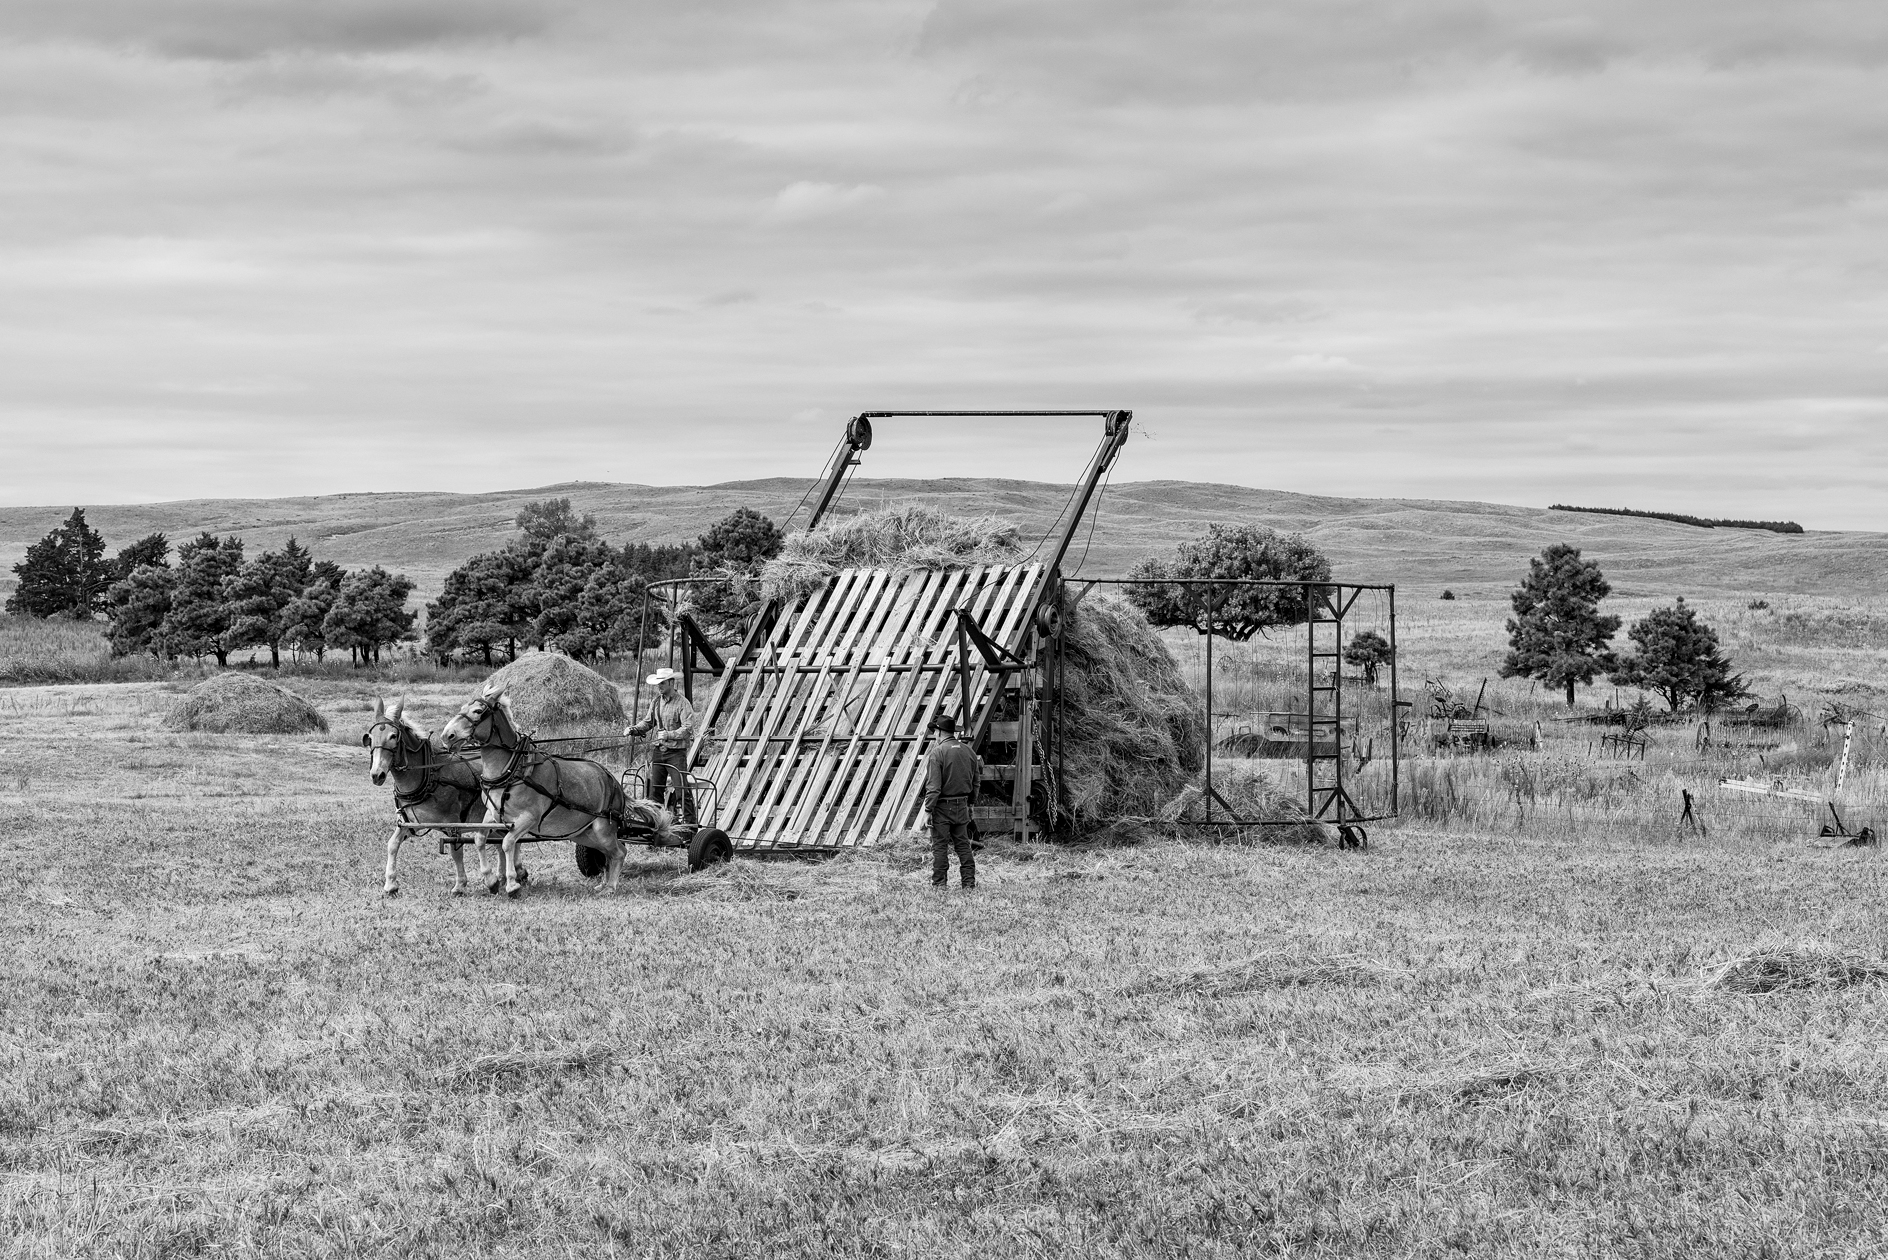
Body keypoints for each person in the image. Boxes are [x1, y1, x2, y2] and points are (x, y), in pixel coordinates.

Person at [626, 668, 697, 823]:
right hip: (659, 752)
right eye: (658, 683)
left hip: (676, 754)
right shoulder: (656, 702)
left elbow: (688, 729)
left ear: (671, 682)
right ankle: (656, 828)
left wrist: (669, 734)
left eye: (662, 683)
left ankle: (690, 829)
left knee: (682, 792)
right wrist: (634, 730)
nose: (659, 686)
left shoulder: (683, 703)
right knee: (654, 792)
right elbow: (648, 722)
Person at [921, 712, 981, 889]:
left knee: (939, 846)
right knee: (963, 844)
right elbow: (976, 781)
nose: (934, 736)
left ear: (939, 732)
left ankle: (939, 885)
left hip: (942, 807)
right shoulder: (969, 752)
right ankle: (968, 883)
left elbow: (934, 788)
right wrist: (971, 804)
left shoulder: (937, 753)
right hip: (962, 804)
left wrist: (927, 811)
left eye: (934, 732)